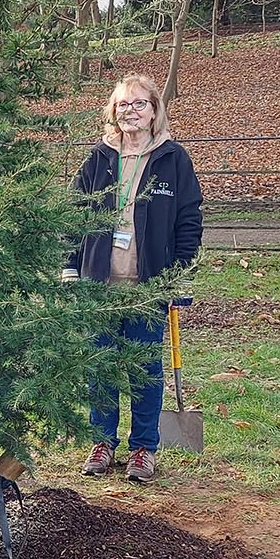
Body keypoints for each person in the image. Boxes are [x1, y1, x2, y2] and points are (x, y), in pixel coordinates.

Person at [64, 73, 203, 482]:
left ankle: (143, 448)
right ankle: (102, 442)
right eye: (123, 105)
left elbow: (189, 220)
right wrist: (70, 265)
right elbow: (75, 212)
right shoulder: (98, 159)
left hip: (147, 287)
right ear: (113, 111)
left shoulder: (173, 159)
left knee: (143, 368)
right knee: (101, 366)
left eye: (139, 104)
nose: (131, 111)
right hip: (99, 284)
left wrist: (179, 275)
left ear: (155, 110)